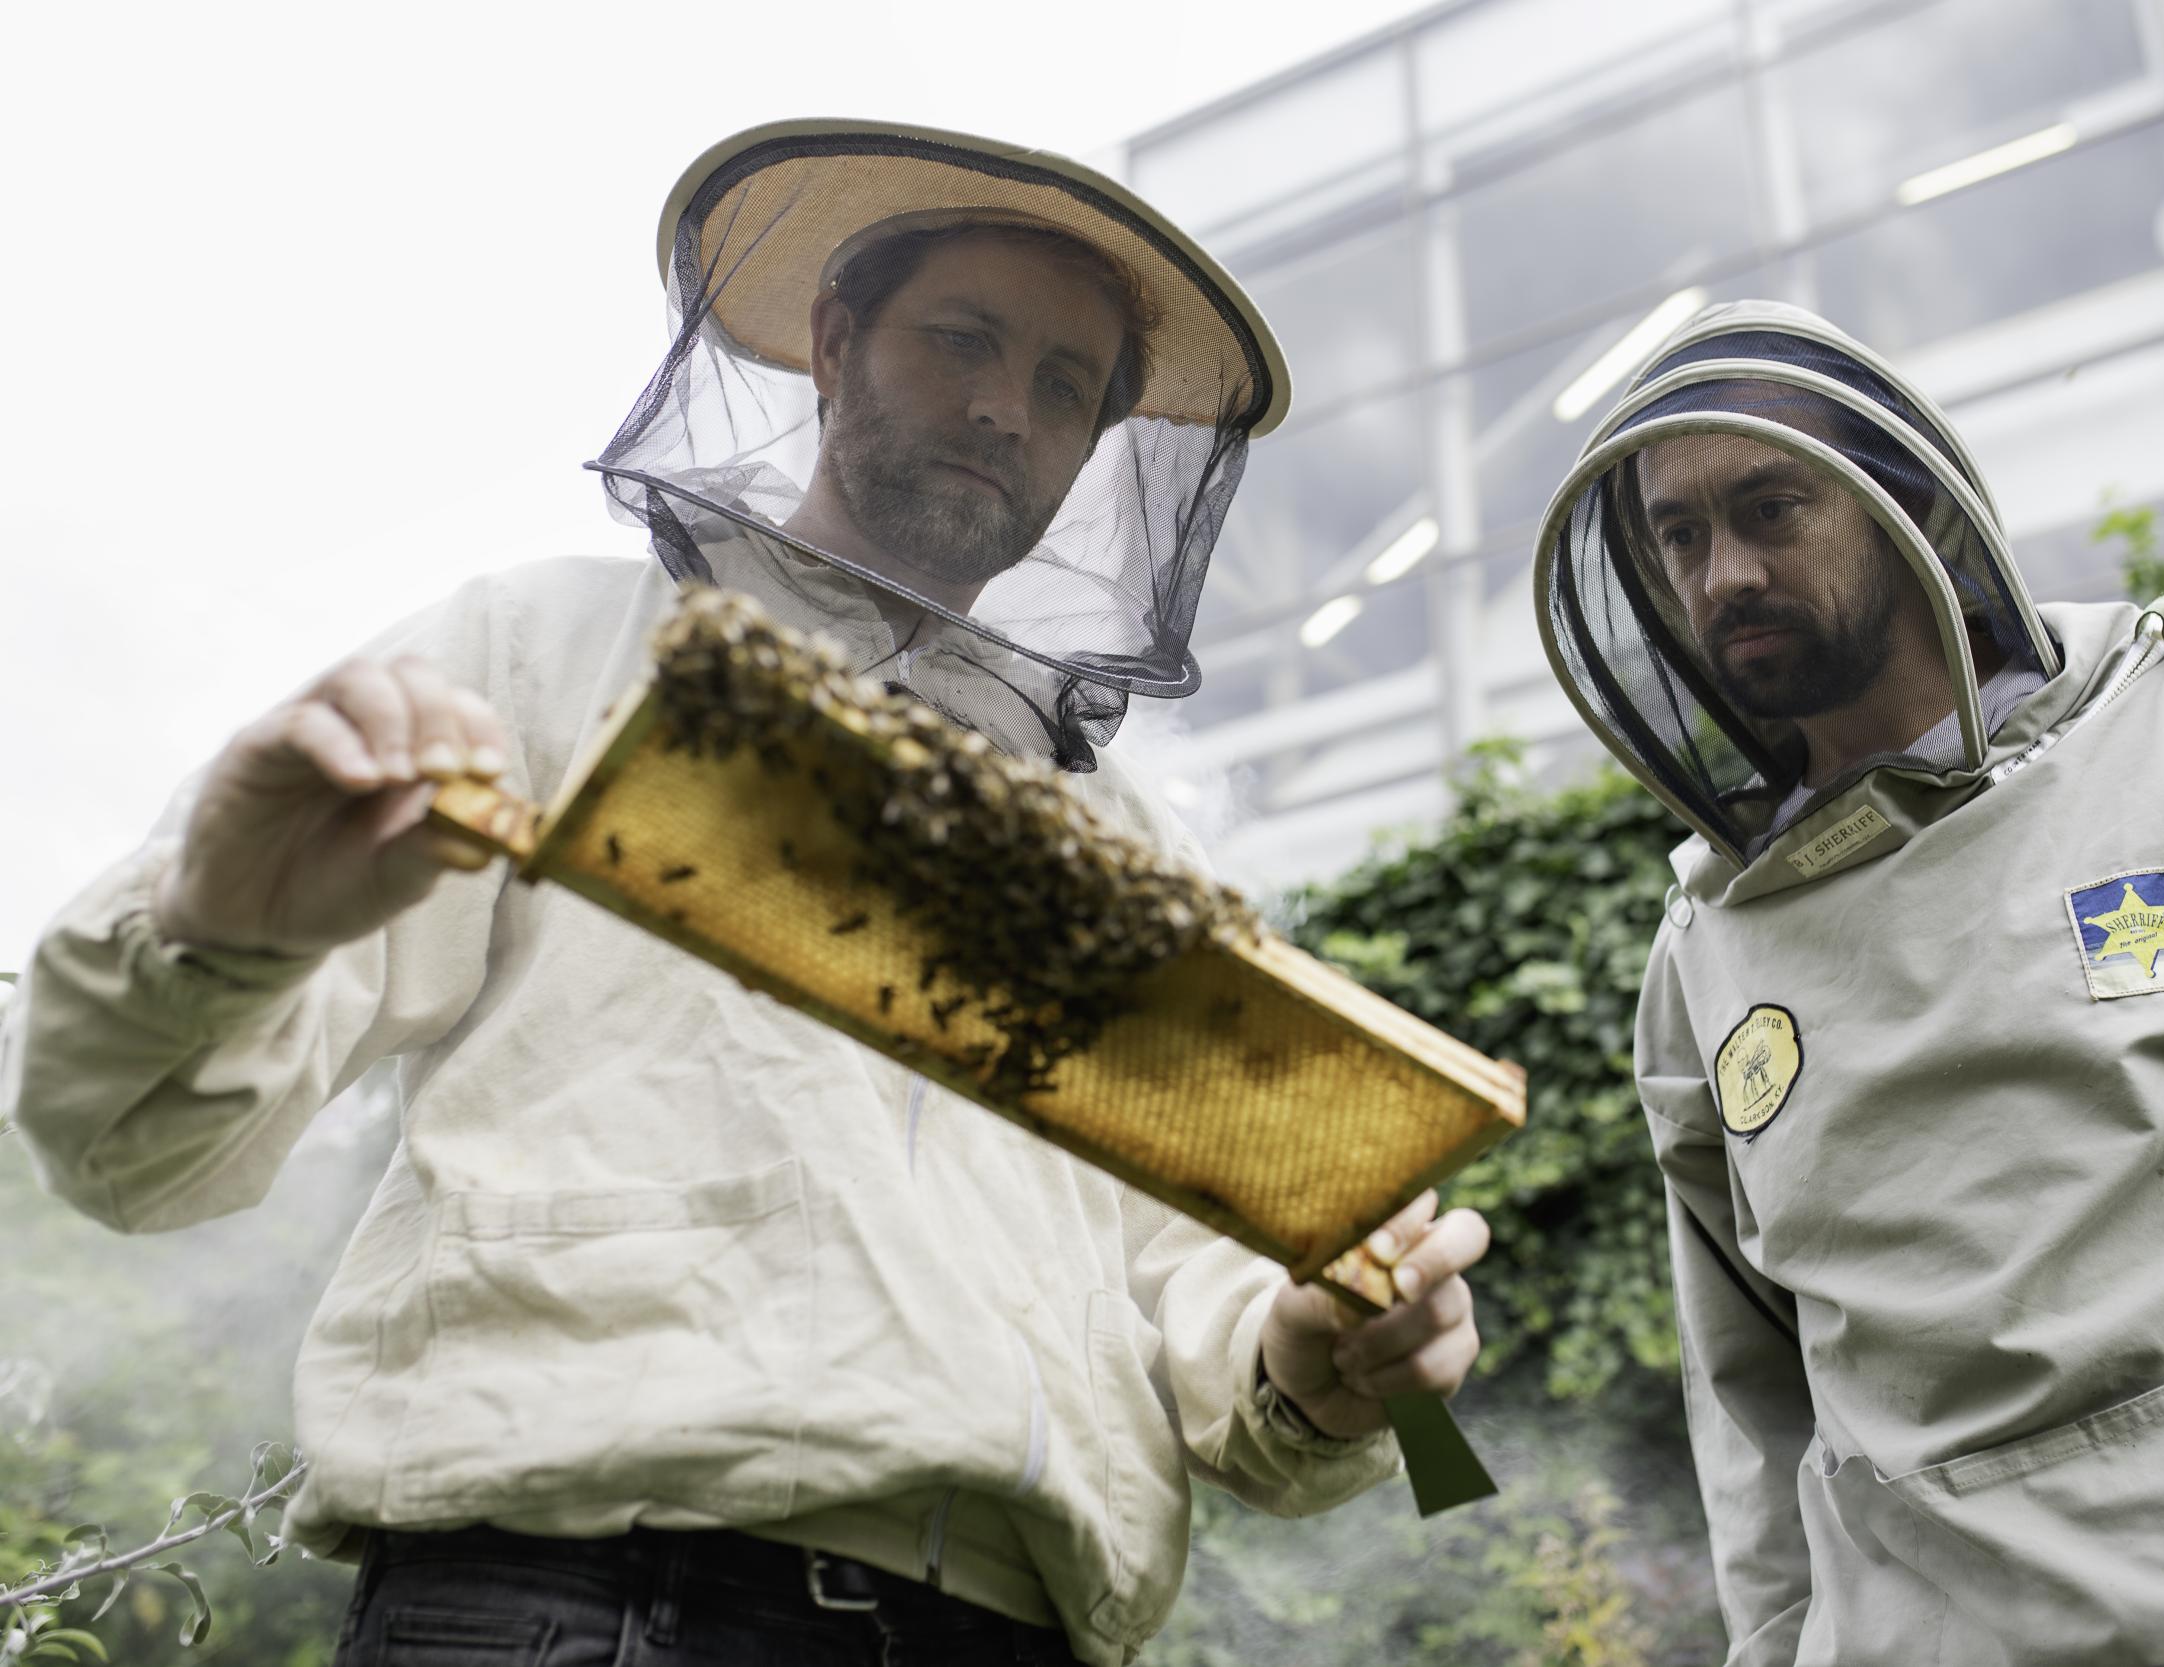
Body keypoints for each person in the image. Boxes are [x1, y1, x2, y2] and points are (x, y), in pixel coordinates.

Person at [0, 119, 1490, 1667]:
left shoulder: (1132, 853)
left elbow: (1209, 1307)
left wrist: (1310, 1355)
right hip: (572, 1604)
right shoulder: (542, 654)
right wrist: (219, 927)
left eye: (1065, 387)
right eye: (962, 339)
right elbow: (128, 1145)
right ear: (836, 344)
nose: (1003, 409)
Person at [1531, 299, 2164, 1666]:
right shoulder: (1702, 956)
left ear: (1907, 504)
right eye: (1679, 538)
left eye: (1769, 508)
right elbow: (1754, 1412)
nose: (1722, 573)